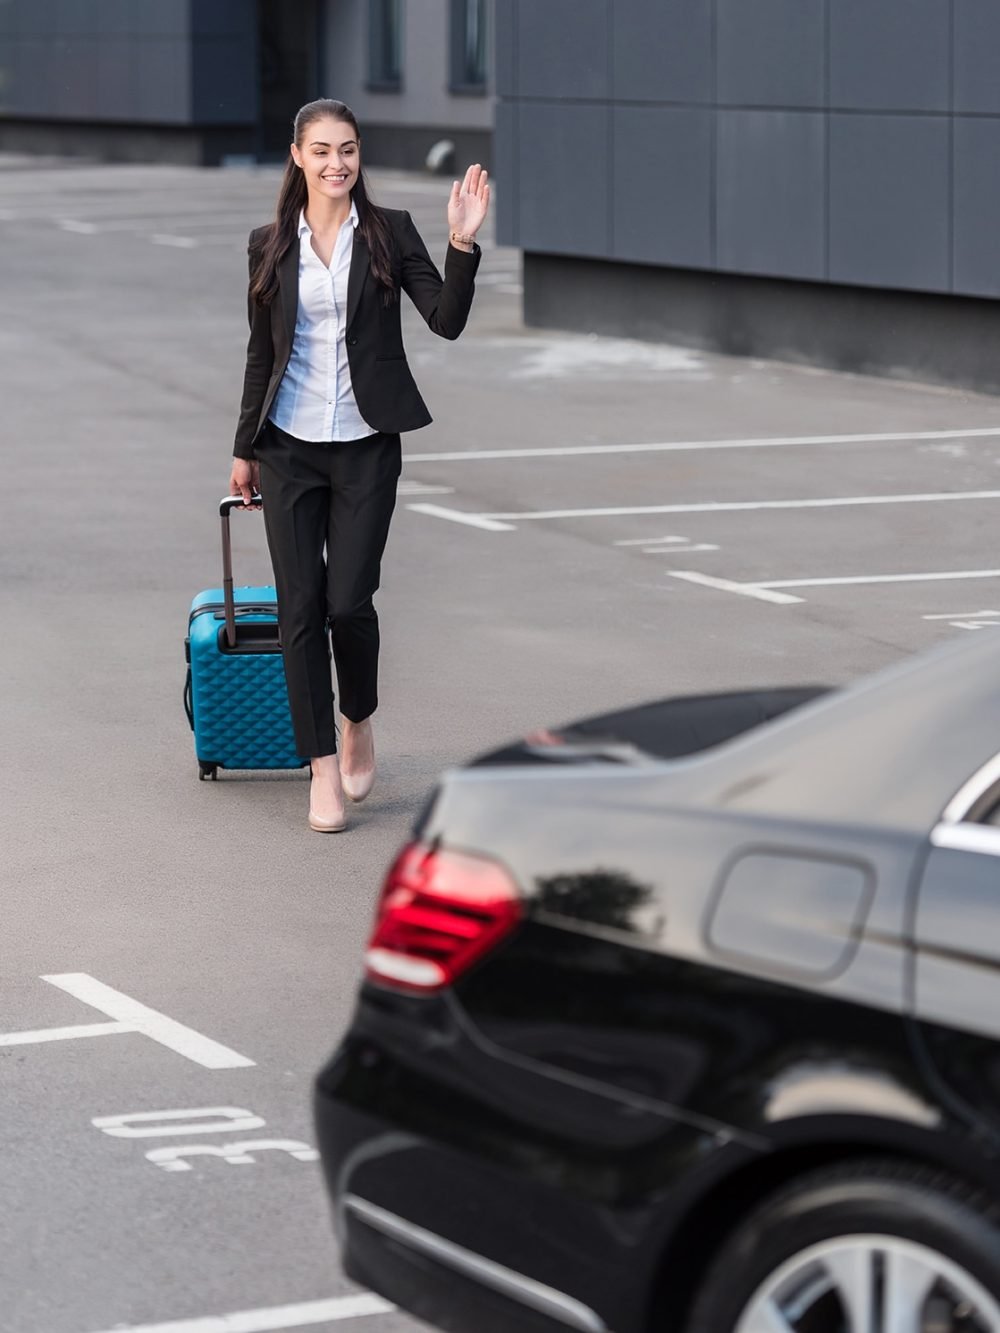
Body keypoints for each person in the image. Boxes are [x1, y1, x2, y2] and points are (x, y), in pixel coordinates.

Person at [230, 98, 489, 833]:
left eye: (347, 149)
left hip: (367, 442)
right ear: (297, 156)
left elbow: (446, 320)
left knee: (349, 601)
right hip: (286, 447)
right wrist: (243, 448)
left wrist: (461, 244)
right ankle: (319, 770)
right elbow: (261, 353)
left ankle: (357, 718)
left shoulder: (389, 233)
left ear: (358, 154)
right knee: (300, 609)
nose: (336, 163)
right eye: (321, 150)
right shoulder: (268, 243)